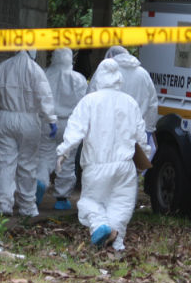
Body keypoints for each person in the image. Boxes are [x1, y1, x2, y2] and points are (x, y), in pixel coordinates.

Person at [56, 58, 150, 250]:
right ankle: (116, 243)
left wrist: (63, 152)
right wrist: (143, 159)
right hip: (125, 166)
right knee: (121, 205)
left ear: (98, 78)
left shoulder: (89, 102)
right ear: (119, 79)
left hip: (96, 165)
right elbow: (141, 136)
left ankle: (100, 226)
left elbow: (76, 129)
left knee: (91, 201)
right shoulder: (130, 102)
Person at [0, 50, 57, 218]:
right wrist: (51, 119)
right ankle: (27, 205)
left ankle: (4, 204)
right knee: (28, 163)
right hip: (29, 119)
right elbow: (45, 96)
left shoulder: (1, 68)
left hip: (5, 117)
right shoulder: (35, 70)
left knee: (5, 162)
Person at [35, 48, 87, 210]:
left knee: (44, 156)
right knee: (67, 160)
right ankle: (62, 198)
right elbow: (84, 104)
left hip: (47, 122)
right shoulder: (78, 79)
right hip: (70, 124)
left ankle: (40, 181)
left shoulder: (43, 74)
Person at [87, 45, 158, 160]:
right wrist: (148, 130)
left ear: (110, 56)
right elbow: (152, 105)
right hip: (134, 135)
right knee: (129, 170)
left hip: (106, 134)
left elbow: (90, 98)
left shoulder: (104, 71)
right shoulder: (143, 74)